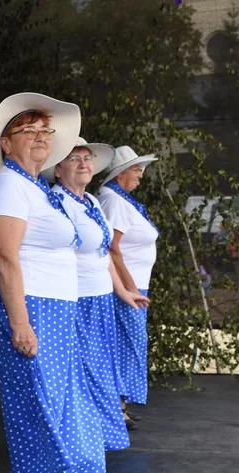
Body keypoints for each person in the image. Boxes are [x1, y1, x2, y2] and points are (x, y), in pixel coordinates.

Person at [0, 93, 107, 473]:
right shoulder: (9, 186)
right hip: (28, 305)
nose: (38, 138)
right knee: (33, 403)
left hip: (53, 307)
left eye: (44, 131)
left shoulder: (34, 187)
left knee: (48, 402)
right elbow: (4, 256)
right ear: (5, 144)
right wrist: (20, 321)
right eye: (27, 130)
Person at [47, 138, 136, 449]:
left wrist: (122, 291)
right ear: (58, 168)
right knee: (84, 369)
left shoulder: (91, 202)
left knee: (102, 368)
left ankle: (100, 435)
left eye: (87, 158)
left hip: (100, 298)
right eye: (75, 159)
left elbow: (103, 252)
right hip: (78, 298)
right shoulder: (57, 203)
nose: (84, 163)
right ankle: (83, 438)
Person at [98, 145, 160, 423]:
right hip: (124, 286)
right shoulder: (113, 200)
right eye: (137, 169)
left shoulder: (121, 199)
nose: (141, 175)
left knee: (129, 343)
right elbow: (111, 247)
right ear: (120, 172)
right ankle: (116, 408)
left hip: (132, 285)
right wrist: (129, 286)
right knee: (125, 343)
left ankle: (119, 405)